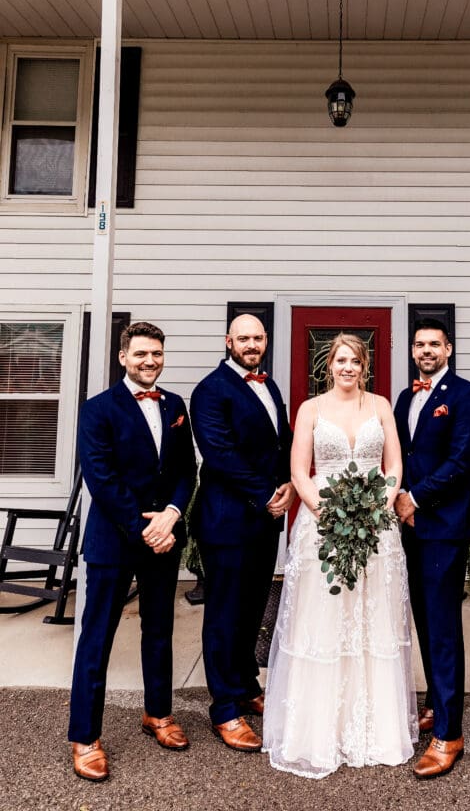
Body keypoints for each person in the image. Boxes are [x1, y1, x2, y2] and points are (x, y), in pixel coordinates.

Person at [263, 333, 417, 778]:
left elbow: (393, 467)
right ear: (328, 366)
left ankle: (376, 730)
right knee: (326, 620)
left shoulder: (382, 406)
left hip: (375, 524)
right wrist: (326, 512)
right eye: (340, 360)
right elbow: (298, 469)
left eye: (355, 361)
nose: (347, 367)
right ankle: (319, 730)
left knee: (372, 620)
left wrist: (378, 509)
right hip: (323, 523)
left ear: (365, 366)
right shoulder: (310, 410)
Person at [69, 322, 196, 782]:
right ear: (123, 357)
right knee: (96, 638)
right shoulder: (98, 409)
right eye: (141, 353)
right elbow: (100, 478)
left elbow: (186, 470)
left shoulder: (176, 406)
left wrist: (172, 514)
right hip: (114, 539)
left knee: (159, 630)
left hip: (164, 536)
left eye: (157, 353)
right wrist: (144, 527)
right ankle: (85, 737)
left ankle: (158, 714)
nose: (150, 361)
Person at [190, 314, 294, 753]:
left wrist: (289, 481)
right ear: (228, 341)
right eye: (244, 338)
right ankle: (224, 709)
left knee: (252, 608)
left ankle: (247, 685)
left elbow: (281, 442)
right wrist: (267, 493)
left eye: (258, 338)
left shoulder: (268, 386)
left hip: (264, 519)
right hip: (228, 520)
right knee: (224, 614)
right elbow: (220, 454)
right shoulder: (210, 390)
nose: (252, 345)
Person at [394, 318, 470, 780]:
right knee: (426, 622)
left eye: (434, 344)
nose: (426, 350)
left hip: (444, 526)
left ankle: (449, 734)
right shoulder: (405, 397)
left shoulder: (467, 396)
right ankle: (436, 700)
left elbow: (461, 461)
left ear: (449, 348)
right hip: (409, 526)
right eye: (420, 344)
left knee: (443, 625)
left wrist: (415, 498)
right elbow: (399, 456)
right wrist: (395, 497)